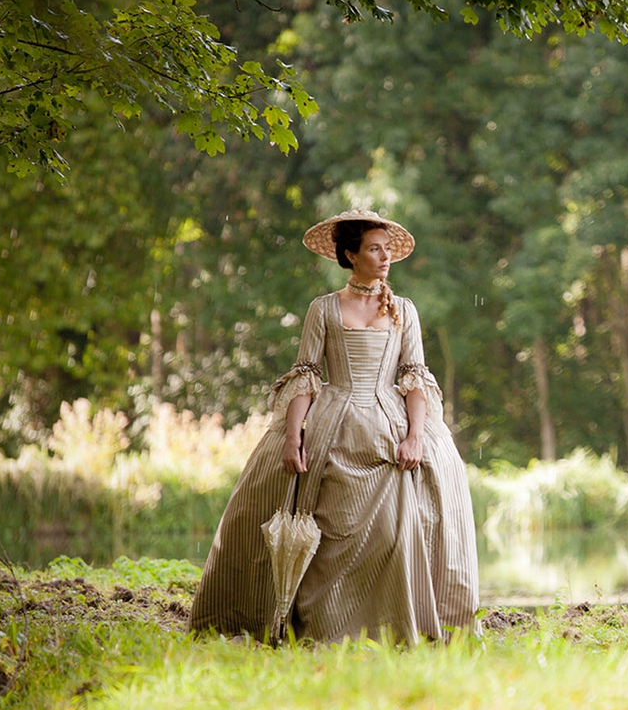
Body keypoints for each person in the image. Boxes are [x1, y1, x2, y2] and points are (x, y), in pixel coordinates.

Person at [189, 209, 479, 644]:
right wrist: (292, 438)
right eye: (374, 249)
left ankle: (392, 628)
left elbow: (415, 377)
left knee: (394, 534)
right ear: (350, 254)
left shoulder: (404, 311)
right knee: (322, 538)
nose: (384, 258)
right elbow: (306, 376)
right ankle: (321, 631)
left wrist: (416, 436)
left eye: (387, 250)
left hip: (389, 430)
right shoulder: (323, 309)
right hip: (334, 427)